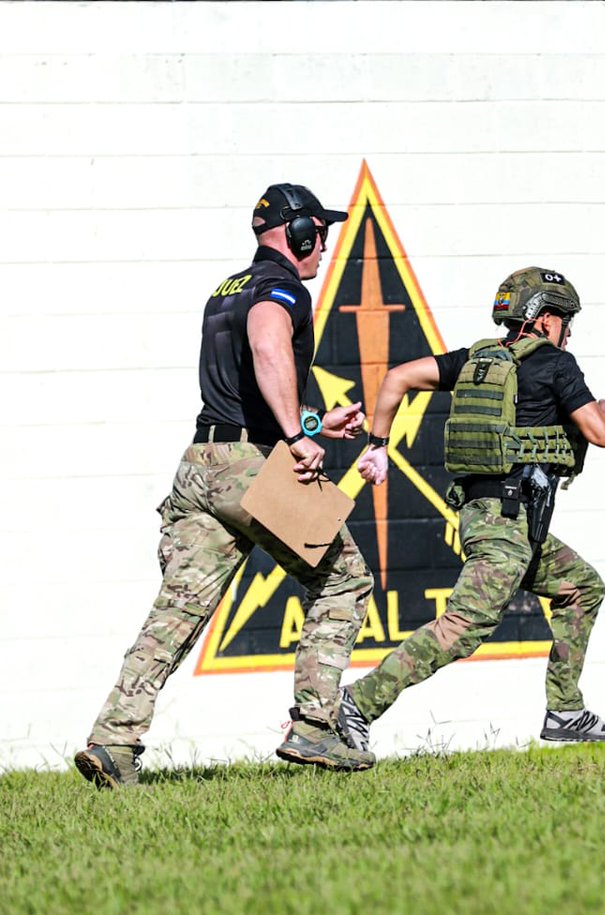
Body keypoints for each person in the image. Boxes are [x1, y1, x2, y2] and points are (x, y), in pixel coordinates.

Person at [75, 183, 376, 788]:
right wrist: (295, 436)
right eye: (320, 234)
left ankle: (113, 742)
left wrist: (314, 423)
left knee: (178, 610)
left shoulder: (228, 288)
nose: (324, 247)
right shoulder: (282, 288)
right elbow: (267, 346)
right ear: (298, 234)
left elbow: (239, 391)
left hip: (201, 462)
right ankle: (315, 728)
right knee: (346, 579)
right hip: (251, 466)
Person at [342, 267, 605, 749]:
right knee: (463, 627)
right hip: (507, 526)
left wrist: (378, 445)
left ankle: (565, 709)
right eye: (565, 319)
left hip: (493, 518)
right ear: (544, 319)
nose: (568, 330)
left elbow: (397, 378)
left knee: (581, 587)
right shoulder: (557, 364)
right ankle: (356, 704)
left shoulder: (476, 360)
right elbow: (600, 432)